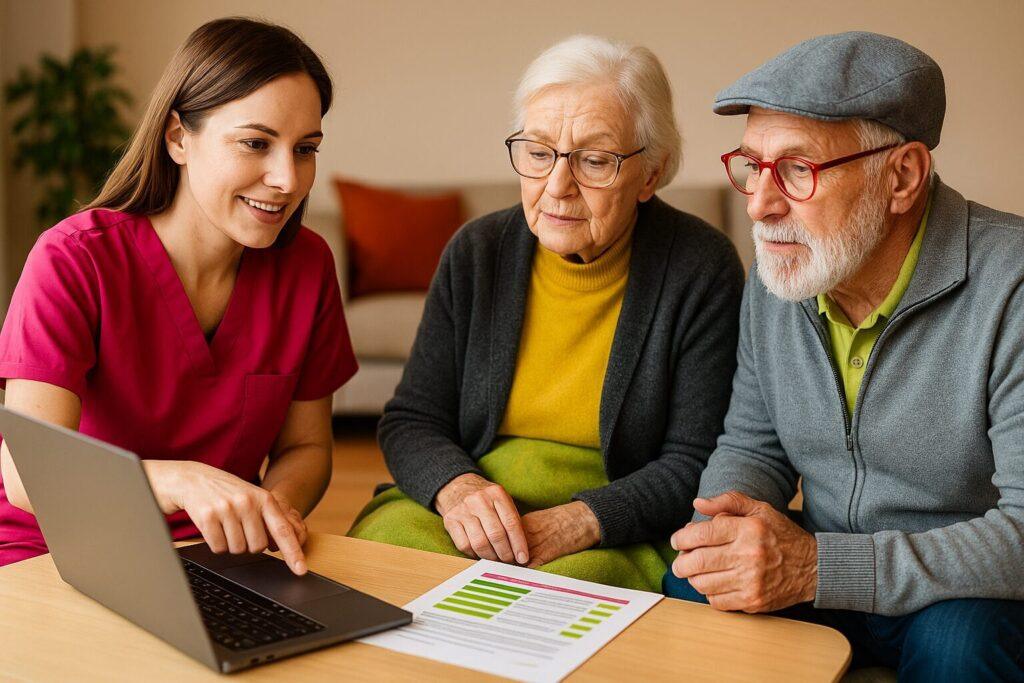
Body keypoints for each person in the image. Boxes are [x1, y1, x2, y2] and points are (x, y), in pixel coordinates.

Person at [663, 32, 1024, 680]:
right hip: (826, 562)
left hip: (964, 588)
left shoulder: (1012, 287)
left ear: (903, 175)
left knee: (957, 648)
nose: (760, 203)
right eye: (751, 165)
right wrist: (720, 539)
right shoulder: (781, 277)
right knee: (691, 592)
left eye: (797, 169)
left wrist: (819, 567)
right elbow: (753, 445)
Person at [348, 35, 744, 591]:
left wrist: (581, 520)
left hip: (616, 524)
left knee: (566, 603)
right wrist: (457, 488)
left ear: (650, 174)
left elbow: (696, 458)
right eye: (537, 153)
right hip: (477, 506)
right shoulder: (477, 251)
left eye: (594, 160)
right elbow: (412, 418)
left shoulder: (700, 267)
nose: (557, 187)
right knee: (388, 559)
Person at [0, 18, 357, 576]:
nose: (288, 178)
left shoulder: (307, 266)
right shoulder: (73, 259)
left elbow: (307, 450)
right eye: (256, 143)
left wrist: (273, 512)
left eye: (305, 148)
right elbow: (28, 473)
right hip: (52, 551)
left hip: (219, 559)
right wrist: (178, 478)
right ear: (177, 138)